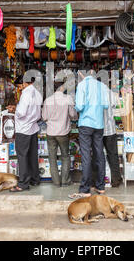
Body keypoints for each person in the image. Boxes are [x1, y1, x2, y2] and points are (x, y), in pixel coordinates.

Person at [69, 67, 108, 199]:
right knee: (99, 154)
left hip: (86, 124)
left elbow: (79, 106)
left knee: (86, 156)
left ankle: (85, 188)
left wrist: (76, 106)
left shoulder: (82, 85)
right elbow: (106, 105)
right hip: (99, 125)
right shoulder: (102, 86)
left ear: (82, 75)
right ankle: (100, 186)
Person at [8, 75, 43, 192]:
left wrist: (14, 110)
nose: (19, 88)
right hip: (33, 128)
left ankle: (23, 184)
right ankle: (35, 179)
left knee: (22, 156)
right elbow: (38, 114)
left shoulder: (26, 94)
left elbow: (22, 113)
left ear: (24, 83)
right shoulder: (37, 93)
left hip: (23, 129)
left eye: (19, 86)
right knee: (32, 155)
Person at [42, 82, 78, 187]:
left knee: (52, 157)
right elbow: (73, 115)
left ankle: (56, 182)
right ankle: (65, 180)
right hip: (63, 132)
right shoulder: (68, 99)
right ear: (61, 87)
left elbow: (44, 117)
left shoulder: (48, 100)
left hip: (51, 132)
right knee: (65, 156)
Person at [91, 82, 122, 188]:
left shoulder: (93, 94)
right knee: (112, 155)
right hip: (110, 129)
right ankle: (116, 180)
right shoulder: (111, 94)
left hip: (97, 129)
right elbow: (115, 108)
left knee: (96, 155)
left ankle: (96, 181)